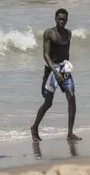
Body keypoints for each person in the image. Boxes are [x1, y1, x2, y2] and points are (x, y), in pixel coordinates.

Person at [31, 9, 81, 142]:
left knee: (71, 97)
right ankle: (34, 127)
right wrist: (54, 71)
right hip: (51, 70)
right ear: (55, 18)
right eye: (59, 19)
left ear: (67, 20)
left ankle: (70, 133)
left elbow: (66, 52)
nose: (61, 22)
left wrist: (66, 69)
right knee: (48, 103)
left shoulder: (69, 34)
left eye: (64, 19)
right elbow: (45, 55)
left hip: (64, 68)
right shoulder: (49, 33)